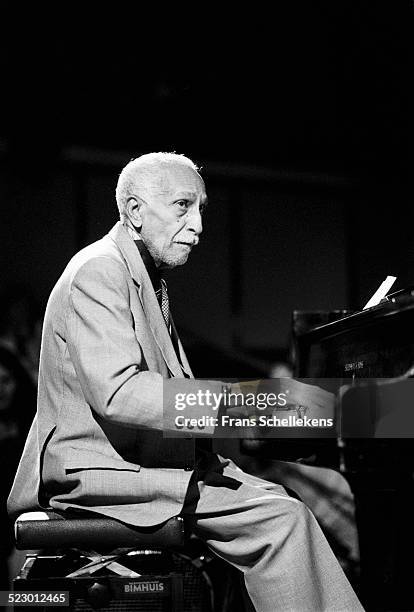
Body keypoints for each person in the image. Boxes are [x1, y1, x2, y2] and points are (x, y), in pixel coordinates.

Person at [8, 153, 363, 611]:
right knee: (283, 519)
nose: (197, 225)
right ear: (135, 212)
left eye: (201, 209)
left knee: (281, 497)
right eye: (182, 206)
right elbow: (118, 393)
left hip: (137, 462)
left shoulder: (137, 273)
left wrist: (272, 406)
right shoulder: (99, 270)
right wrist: (247, 406)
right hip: (101, 473)